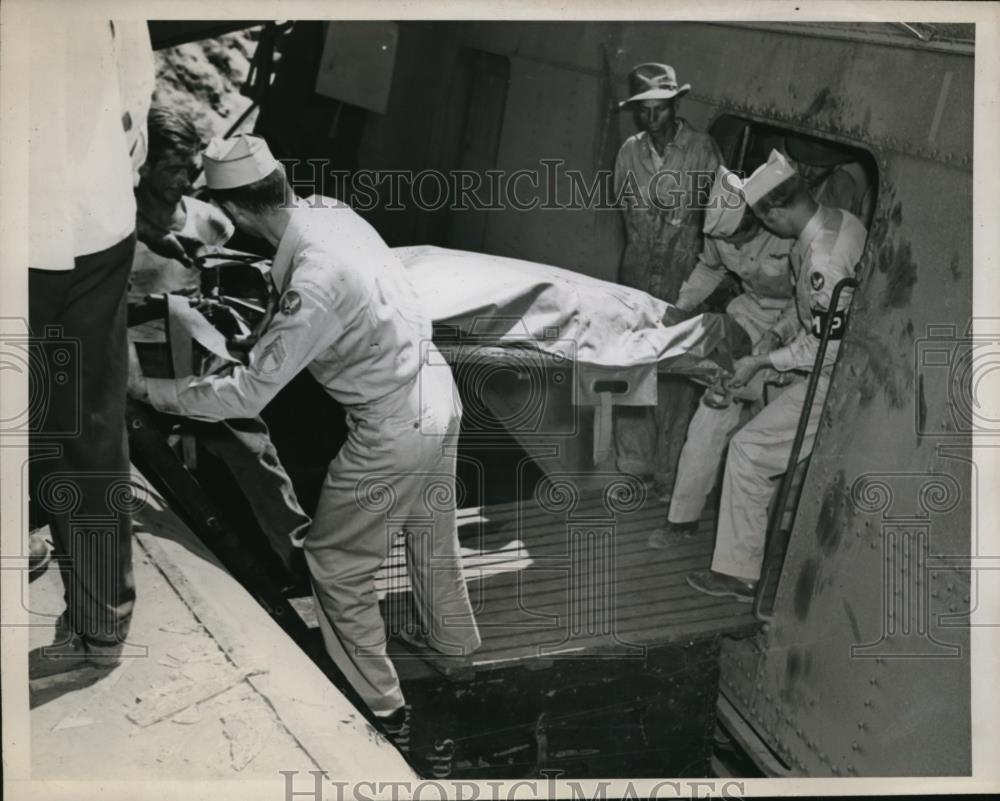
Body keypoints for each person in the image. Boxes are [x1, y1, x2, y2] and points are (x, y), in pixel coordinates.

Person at [127, 134, 482, 727]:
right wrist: (263, 340)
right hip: (436, 392)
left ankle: (383, 706)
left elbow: (247, 393)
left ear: (235, 211)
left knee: (336, 564)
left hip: (393, 423)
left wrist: (152, 393)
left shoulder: (313, 280)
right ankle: (456, 652)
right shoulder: (327, 213)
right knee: (429, 531)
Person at [128, 105, 311, 571]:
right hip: (136, 367)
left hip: (203, 364)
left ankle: (299, 557)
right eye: (171, 169)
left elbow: (252, 282)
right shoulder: (115, 229)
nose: (184, 180)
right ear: (142, 164)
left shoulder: (211, 222)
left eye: (191, 168)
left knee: (256, 455)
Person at [27, 20, 155, 677]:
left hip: (23, 228)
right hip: (99, 217)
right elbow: (137, 72)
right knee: (91, 421)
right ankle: (103, 625)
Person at [685, 150, 866, 602]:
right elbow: (803, 311)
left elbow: (829, 347)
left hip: (832, 380)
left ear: (776, 210)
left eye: (764, 219)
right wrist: (772, 339)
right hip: (823, 364)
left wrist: (765, 361)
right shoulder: (836, 223)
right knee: (732, 393)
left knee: (747, 451)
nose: (765, 230)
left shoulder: (822, 260)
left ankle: (740, 574)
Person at [648, 166, 794, 548]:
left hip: (795, 327)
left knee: (777, 436)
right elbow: (709, 268)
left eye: (741, 235)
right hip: (747, 316)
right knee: (710, 415)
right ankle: (681, 520)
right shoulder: (719, 231)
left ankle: (778, 532)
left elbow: (810, 304)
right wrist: (680, 307)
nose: (736, 245)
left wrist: (773, 344)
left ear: (756, 216)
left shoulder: (792, 235)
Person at [613, 63, 722, 498]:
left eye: (661, 109)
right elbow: (627, 214)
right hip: (636, 276)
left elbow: (715, 222)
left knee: (676, 376)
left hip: (683, 279)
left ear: (675, 105)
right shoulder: (628, 152)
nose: (653, 118)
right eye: (645, 111)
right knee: (634, 366)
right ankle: (634, 464)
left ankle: (668, 472)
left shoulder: (702, 150)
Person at [783, 134, 874, 225]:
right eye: (803, 161)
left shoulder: (843, 189)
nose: (806, 172)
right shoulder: (782, 173)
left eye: (817, 166)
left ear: (837, 167)